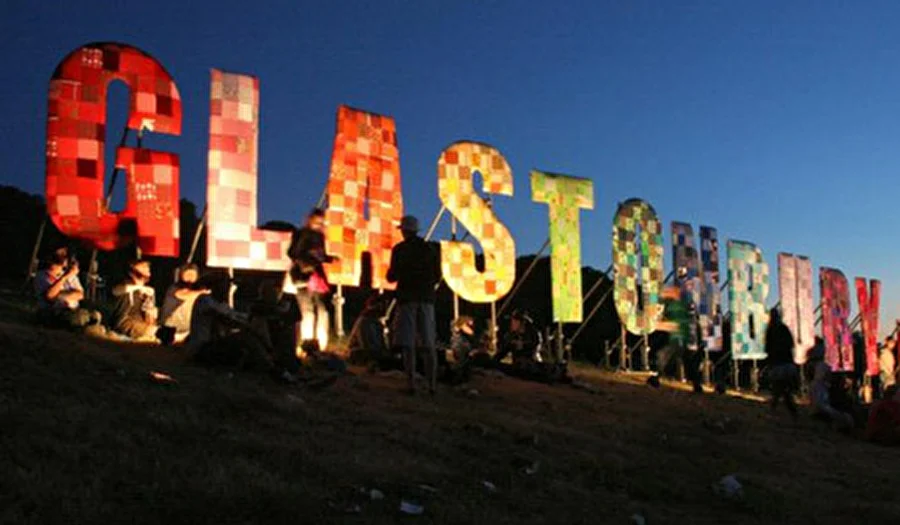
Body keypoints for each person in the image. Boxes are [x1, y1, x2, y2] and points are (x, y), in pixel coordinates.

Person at [386, 215, 442, 395]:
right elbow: (437, 275)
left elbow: (392, 276)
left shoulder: (400, 250)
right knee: (428, 342)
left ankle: (411, 384)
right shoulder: (429, 249)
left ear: (403, 230)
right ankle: (432, 384)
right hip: (426, 298)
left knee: (408, 342)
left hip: (407, 298)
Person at [287, 208, 336, 355]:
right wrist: (306, 256)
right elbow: (291, 252)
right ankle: (306, 344)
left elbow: (322, 255)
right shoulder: (301, 234)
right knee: (307, 311)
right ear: (310, 219)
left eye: (322, 222)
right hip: (303, 275)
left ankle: (320, 344)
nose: (320, 224)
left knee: (323, 310)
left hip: (317, 276)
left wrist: (328, 258)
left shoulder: (320, 236)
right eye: (317, 221)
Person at [649, 285, 703, 393]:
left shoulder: (677, 306)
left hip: (679, 337)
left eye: (670, 291)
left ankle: (656, 379)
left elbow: (676, 323)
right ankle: (697, 385)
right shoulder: (678, 305)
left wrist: (661, 324)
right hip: (684, 338)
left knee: (664, 356)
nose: (667, 292)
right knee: (687, 362)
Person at [33, 246, 99, 330]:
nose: (66, 256)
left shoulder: (71, 276)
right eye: (62, 253)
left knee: (94, 315)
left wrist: (60, 295)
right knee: (76, 318)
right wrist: (65, 278)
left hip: (72, 310)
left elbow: (80, 295)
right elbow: (50, 296)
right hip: (54, 312)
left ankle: (85, 324)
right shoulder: (42, 275)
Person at [110, 259, 174, 344]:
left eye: (147, 266)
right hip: (124, 323)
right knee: (161, 333)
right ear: (132, 271)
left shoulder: (148, 291)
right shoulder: (126, 285)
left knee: (162, 330)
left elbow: (150, 319)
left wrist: (152, 312)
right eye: (143, 266)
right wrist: (139, 288)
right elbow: (115, 291)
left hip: (141, 325)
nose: (147, 268)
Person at [159, 264, 209, 343]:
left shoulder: (198, 288)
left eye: (193, 274)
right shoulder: (175, 287)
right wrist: (204, 292)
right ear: (181, 275)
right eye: (188, 274)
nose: (190, 277)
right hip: (171, 323)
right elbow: (185, 295)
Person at [764, 307, 798, 418]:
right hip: (786, 363)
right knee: (782, 389)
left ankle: (776, 409)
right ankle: (791, 411)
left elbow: (768, 348)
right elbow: (791, 344)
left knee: (779, 389)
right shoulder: (784, 328)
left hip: (778, 364)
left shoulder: (771, 330)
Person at [348, 295, 388, 361]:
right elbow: (365, 344)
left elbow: (381, 343)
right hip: (361, 353)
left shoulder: (377, 322)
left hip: (372, 351)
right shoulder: (365, 321)